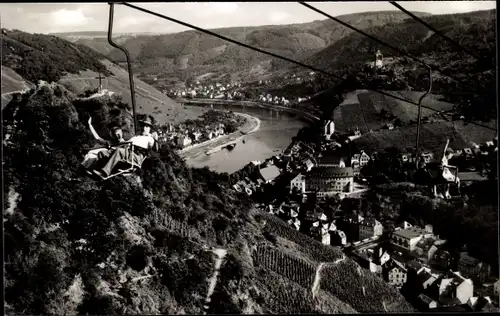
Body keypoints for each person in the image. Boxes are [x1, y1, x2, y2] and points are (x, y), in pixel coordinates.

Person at [93, 117, 159, 178]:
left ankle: (104, 173)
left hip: (136, 157)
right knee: (102, 153)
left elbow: (155, 149)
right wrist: (113, 147)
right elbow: (125, 144)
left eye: (146, 126)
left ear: (149, 128)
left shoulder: (150, 138)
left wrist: (155, 139)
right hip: (127, 153)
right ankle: (96, 171)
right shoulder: (136, 137)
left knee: (118, 151)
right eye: (142, 126)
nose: (144, 128)